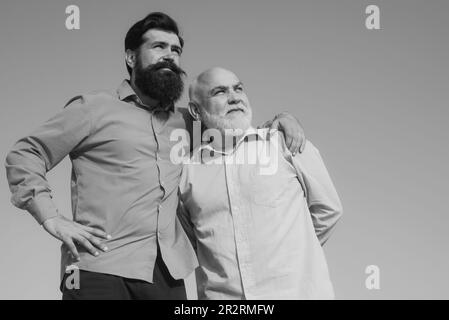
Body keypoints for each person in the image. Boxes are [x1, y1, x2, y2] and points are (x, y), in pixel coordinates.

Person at [4, 13, 306, 300]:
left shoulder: (190, 122)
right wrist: (51, 218)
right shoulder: (93, 108)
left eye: (176, 49)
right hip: (97, 267)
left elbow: (234, 126)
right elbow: (26, 154)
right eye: (158, 46)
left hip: (167, 275)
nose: (170, 55)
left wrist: (282, 119)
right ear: (131, 57)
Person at [178, 67, 343, 299]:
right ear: (196, 111)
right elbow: (193, 243)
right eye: (220, 92)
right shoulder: (188, 173)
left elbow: (328, 210)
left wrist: (293, 254)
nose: (234, 97)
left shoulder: (284, 143)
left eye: (239, 88)